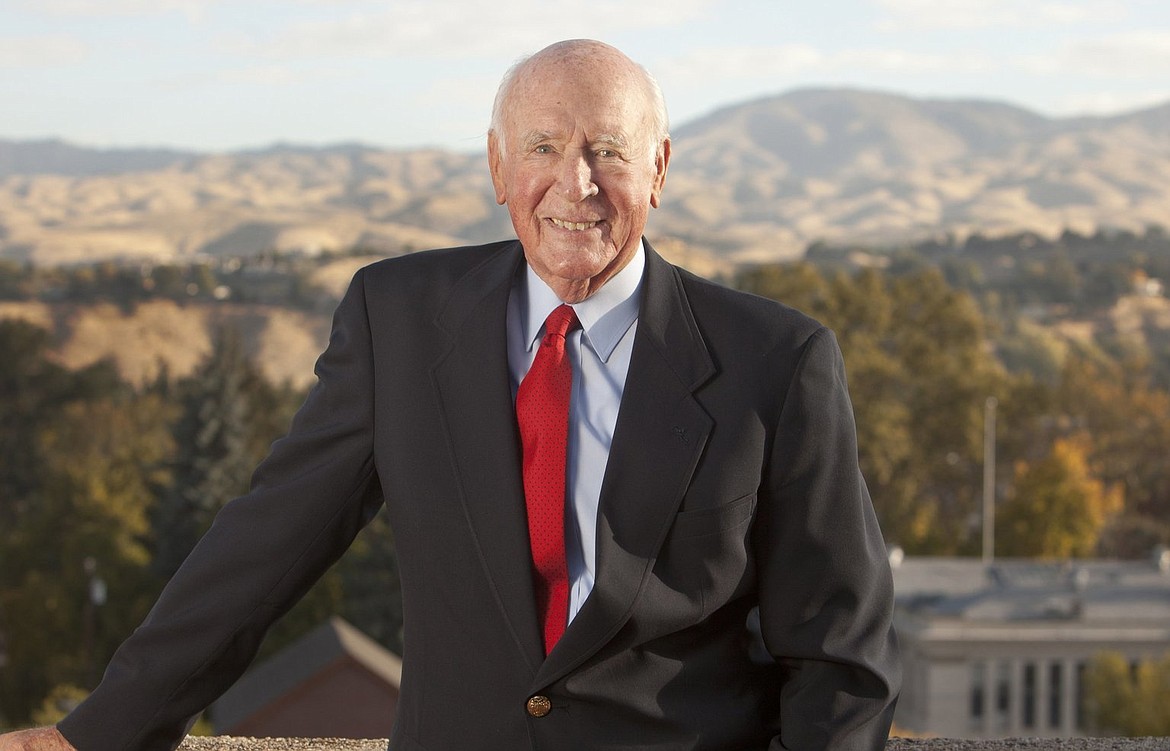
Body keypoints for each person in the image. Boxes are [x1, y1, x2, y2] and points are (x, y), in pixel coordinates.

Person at [0, 39, 899, 751]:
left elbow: (839, 654)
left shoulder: (776, 362)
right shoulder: (398, 320)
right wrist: (103, 731)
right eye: (542, 148)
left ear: (659, 169)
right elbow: (265, 545)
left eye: (608, 151)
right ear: (498, 167)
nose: (574, 183)